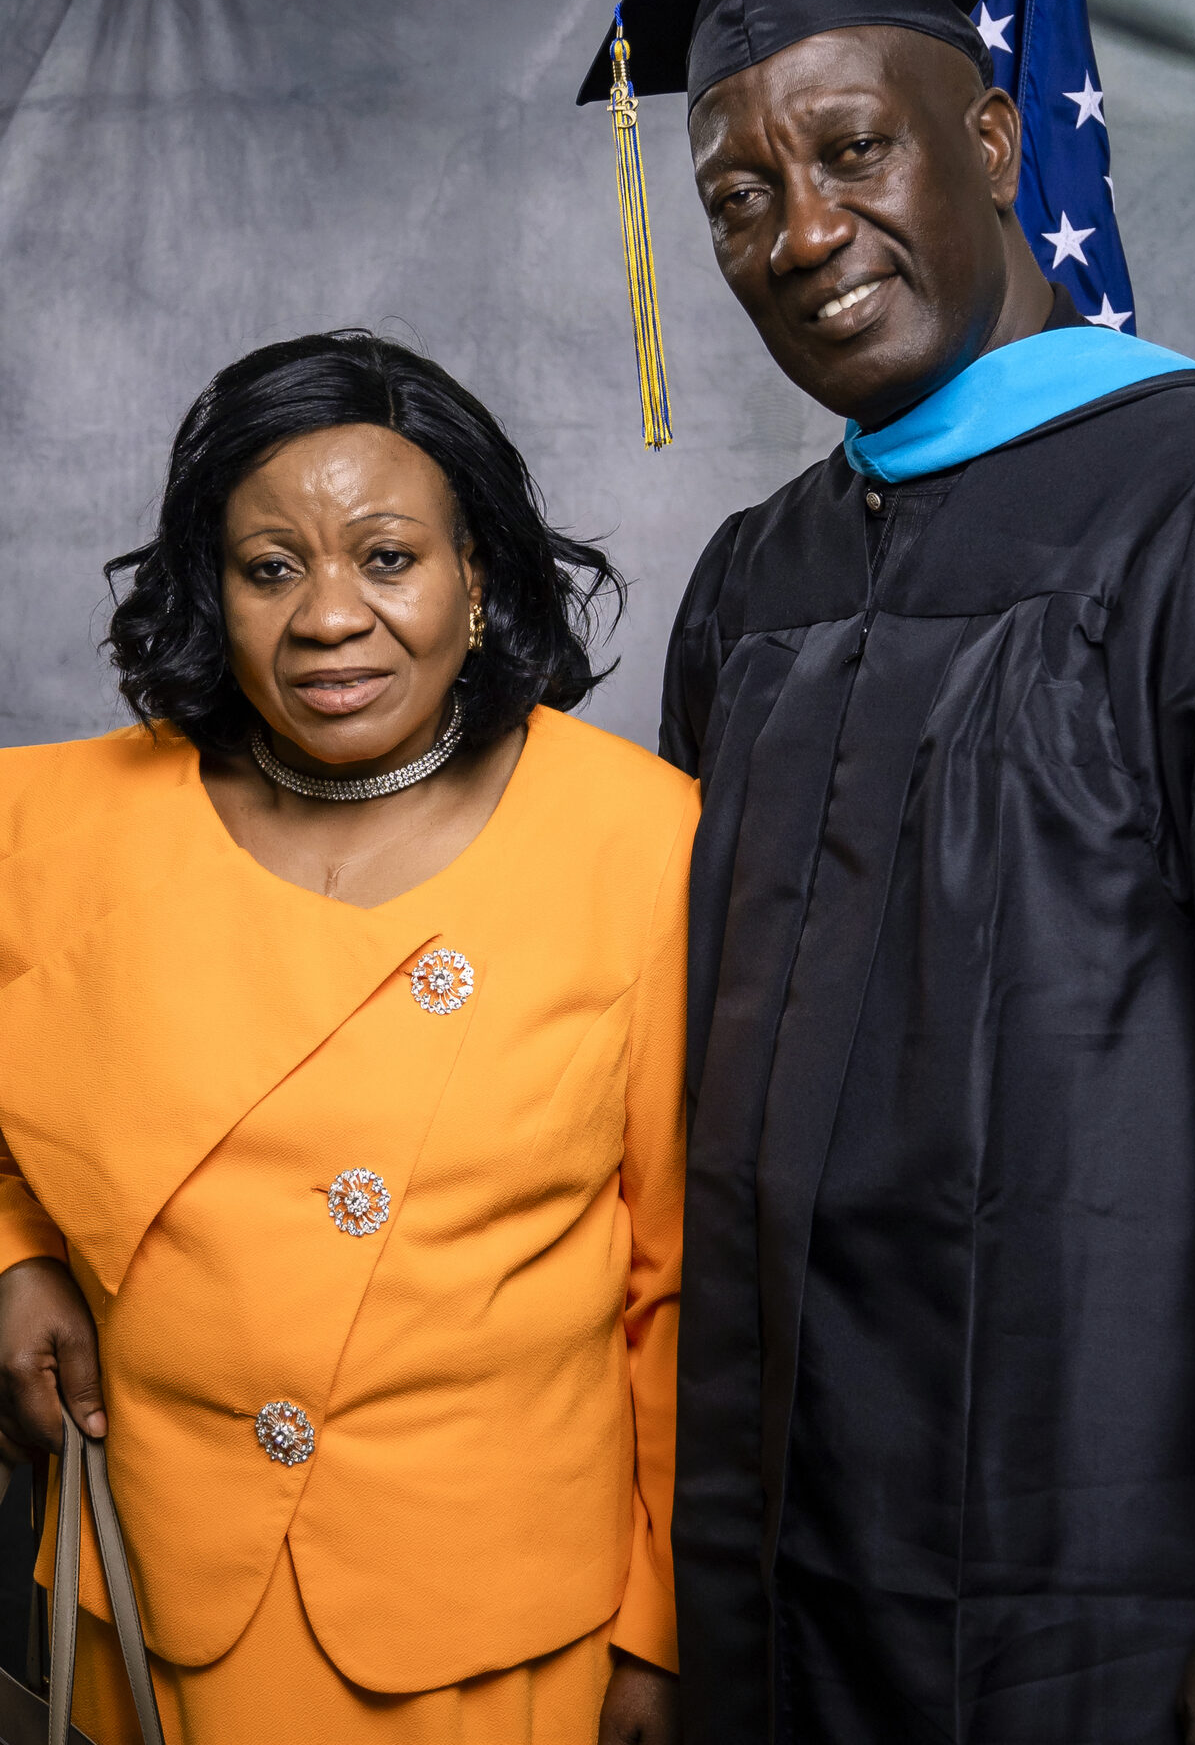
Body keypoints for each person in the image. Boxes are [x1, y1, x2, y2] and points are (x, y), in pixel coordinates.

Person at [578, 0, 1195, 1745]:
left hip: (1097, 1541)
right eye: (738, 196)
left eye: (853, 152)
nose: (802, 233)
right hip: (778, 1530)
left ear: (989, 138)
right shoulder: (757, 576)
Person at [0, 330, 693, 1745]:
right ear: (213, 590)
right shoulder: (53, 824)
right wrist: (11, 1257)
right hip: (155, 1590)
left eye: (388, 558)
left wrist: (661, 1632)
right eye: (271, 568)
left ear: (477, 575)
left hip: (499, 1628)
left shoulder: (639, 836)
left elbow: (677, 1281)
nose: (328, 617)